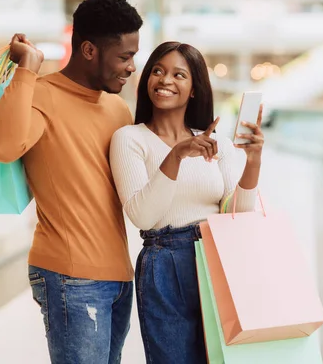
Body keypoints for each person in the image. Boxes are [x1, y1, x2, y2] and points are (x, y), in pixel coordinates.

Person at [0, 0, 143, 364]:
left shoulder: (117, 109)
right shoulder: (40, 94)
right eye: (124, 56)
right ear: (88, 50)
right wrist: (29, 68)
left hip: (119, 275)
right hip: (71, 276)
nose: (132, 67)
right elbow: (1, 146)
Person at [109, 42, 265, 363]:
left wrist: (253, 161)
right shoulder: (129, 139)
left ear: (194, 89)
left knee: (226, 357)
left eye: (179, 75)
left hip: (218, 256)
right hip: (165, 262)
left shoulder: (215, 141)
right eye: (158, 71)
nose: (165, 80)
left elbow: (237, 213)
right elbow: (143, 215)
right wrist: (177, 154)